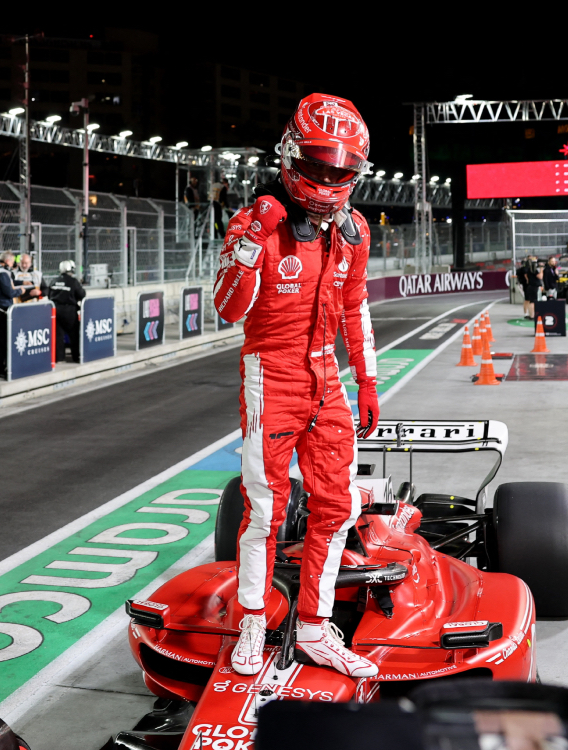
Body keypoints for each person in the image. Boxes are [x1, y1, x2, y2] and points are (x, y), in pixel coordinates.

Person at [213, 93, 380, 679]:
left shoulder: (355, 230)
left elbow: (356, 307)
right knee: (265, 510)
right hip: (271, 371)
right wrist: (252, 246)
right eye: (317, 164)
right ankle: (252, 619)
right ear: (289, 155)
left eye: (341, 169)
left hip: (327, 375)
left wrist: (368, 379)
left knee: (336, 506)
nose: (329, 178)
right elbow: (228, 310)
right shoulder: (260, 217)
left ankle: (313, 626)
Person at [49, 260, 87, 363]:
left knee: (58, 336)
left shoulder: (54, 280)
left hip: (55, 310)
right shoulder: (73, 281)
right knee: (74, 335)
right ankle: (77, 357)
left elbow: (49, 295)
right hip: (69, 311)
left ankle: (59, 358)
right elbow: (82, 294)